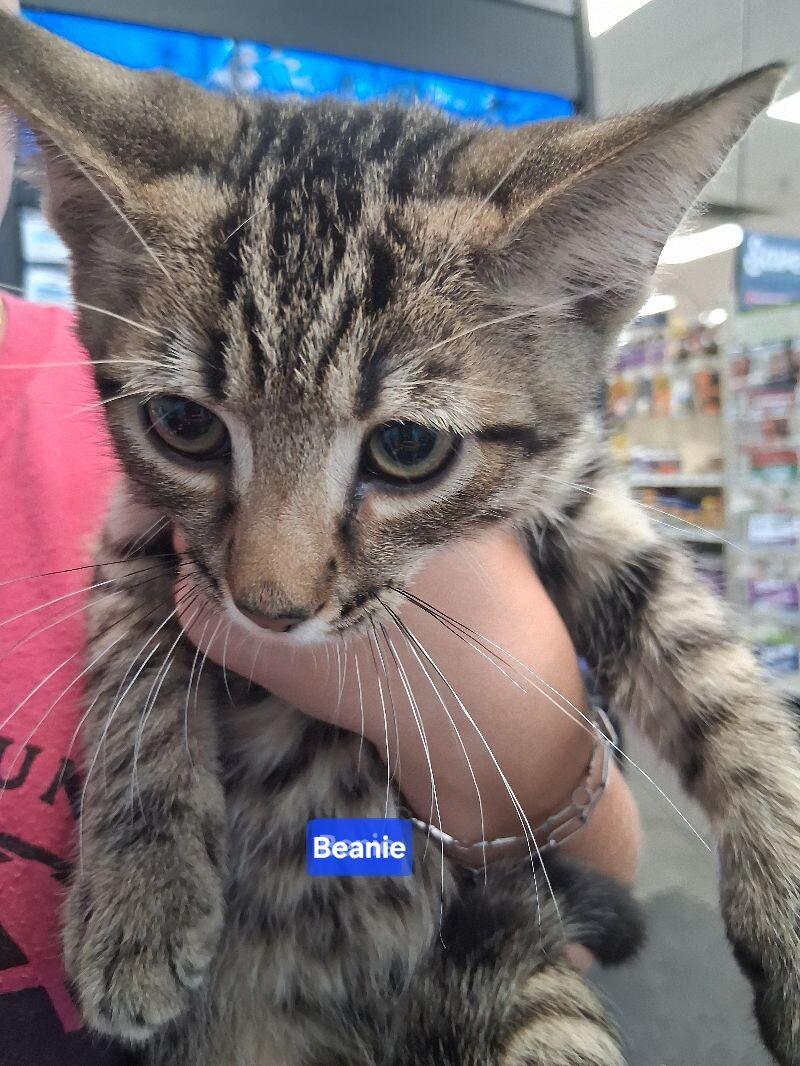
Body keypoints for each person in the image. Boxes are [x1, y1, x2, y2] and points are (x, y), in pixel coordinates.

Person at [0, 4, 639, 1060]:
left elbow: (602, 869)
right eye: (184, 421)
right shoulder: (124, 349)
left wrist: (505, 727)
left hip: (379, 855)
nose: (271, 587)